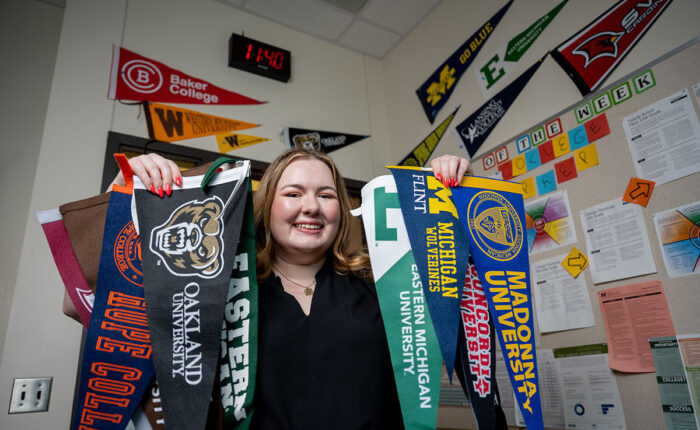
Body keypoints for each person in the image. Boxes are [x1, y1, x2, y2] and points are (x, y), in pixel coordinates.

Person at [107, 149, 471, 429]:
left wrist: (451, 191)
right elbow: (90, 306)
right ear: (268, 205)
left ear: (341, 211)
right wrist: (122, 198)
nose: (311, 207)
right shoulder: (221, 287)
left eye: (326, 196)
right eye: (294, 193)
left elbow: (464, 315)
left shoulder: (384, 285)